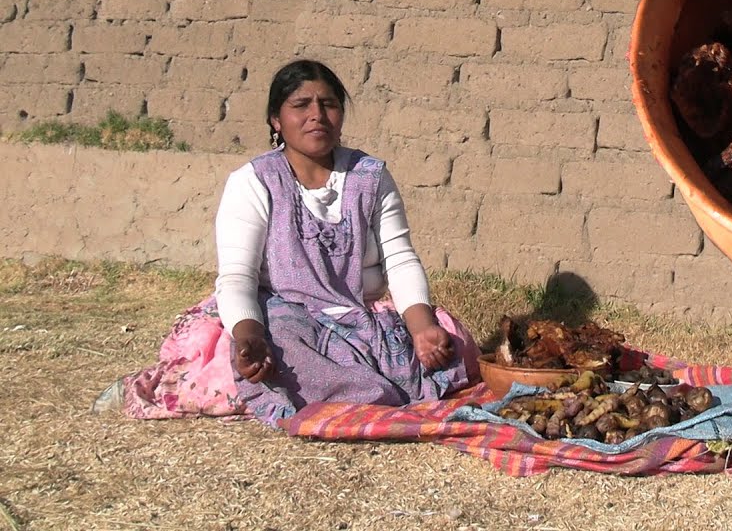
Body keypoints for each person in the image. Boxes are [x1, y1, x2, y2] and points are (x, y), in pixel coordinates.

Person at [96, 59, 480, 427]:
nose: (317, 114)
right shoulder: (254, 181)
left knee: (453, 343)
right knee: (281, 349)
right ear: (276, 120)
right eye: (301, 105)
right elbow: (238, 277)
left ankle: (360, 391)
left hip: (362, 313)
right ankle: (370, 392)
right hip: (288, 314)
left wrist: (421, 328)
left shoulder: (370, 177)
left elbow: (399, 258)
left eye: (328, 104)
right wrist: (249, 336)